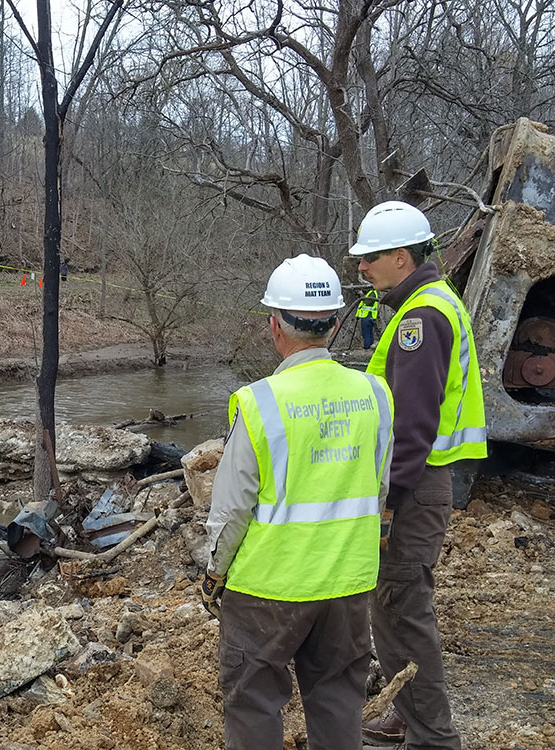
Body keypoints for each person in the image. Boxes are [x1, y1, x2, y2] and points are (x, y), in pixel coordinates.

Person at [201, 254, 394, 750]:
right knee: (337, 701)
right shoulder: (374, 394)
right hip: (348, 583)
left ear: (275, 326)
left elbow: (231, 509)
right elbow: (378, 489)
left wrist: (214, 575)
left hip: (268, 587)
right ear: (333, 323)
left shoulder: (260, 401)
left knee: (253, 701)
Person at [349, 201, 487, 749]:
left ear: (401, 258)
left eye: (370, 258)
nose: (362, 267)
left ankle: (433, 735)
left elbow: (412, 426)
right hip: (423, 481)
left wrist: (389, 503)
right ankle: (409, 713)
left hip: (414, 485)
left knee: (404, 607)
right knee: (392, 603)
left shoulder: (419, 320)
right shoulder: (432, 302)